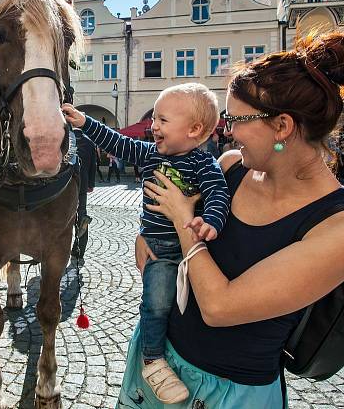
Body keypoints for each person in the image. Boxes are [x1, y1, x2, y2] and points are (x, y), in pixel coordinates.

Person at [116, 30, 344, 408]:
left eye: (236, 118)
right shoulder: (231, 168)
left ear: (281, 127)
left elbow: (221, 307)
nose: (227, 130)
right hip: (159, 361)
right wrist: (149, 239)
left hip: (230, 392)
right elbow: (159, 249)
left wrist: (181, 220)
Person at [63, 82, 230, 405]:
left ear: (195, 130)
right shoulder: (151, 153)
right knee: (155, 306)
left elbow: (218, 195)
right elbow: (118, 143)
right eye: (154, 118)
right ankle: (152, 360)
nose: (153, 126)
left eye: (163, 120)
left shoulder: (203, 164)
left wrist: (211, 222)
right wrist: (85, 123)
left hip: (191, 250)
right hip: (158, 250)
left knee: (187, 311)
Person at [71, 128, 97, 260]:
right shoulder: (89, 143)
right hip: (82, 182)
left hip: (65, 182)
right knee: (81, 213)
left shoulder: (67, 138)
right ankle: (80, 249)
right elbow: (94, 165)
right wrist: (91, 184)